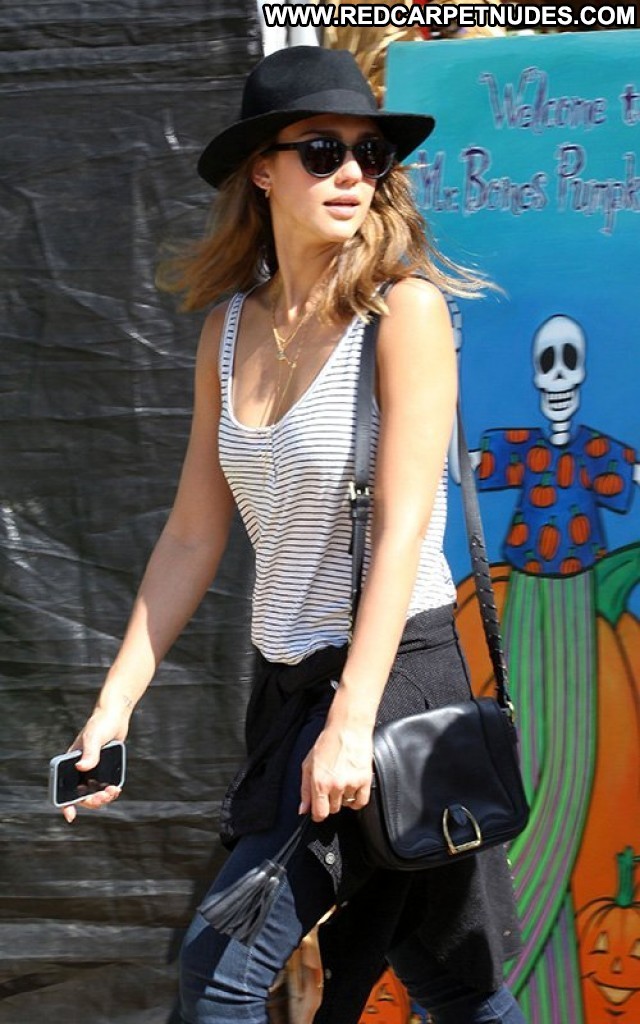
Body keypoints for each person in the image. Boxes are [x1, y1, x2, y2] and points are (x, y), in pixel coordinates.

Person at [63, 45, 525, 1024]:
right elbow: (193, 534)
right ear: (262, 172)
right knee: (456, 985)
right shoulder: (229, 330)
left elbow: (404, 530)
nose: (352, 172)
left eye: (369, 154)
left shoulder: (403, 313)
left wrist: (351, 722)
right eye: (321, 150)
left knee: (220, 975)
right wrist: (114, 706)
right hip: (286, 693)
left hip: (390, 686)